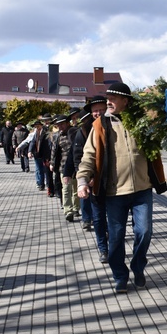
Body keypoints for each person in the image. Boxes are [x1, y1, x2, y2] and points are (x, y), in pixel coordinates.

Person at [76, 83, 167, 293]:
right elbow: (89, 155)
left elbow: (157, 140)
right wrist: (82, 181)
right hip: (114, 193)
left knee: (144, 232)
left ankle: (138, 267)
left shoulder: (142, 123)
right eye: (108, 97)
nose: (108, 101)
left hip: (142, 190)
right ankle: (120, 275)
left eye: (114, 98)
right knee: (116, 237)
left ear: (126, 101)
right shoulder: (100, 125)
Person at [65, 96, 109, 262]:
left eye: (101, 109)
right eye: (95, 110)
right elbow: (78, 157)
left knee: (112, 218)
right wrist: (84, 179)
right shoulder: (84, 131)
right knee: (98, 218)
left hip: (113, 182)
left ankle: (110, 239)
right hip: (93, 182)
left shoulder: (115, 125)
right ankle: (103, 249)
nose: (98, 113)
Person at [49, 110, 79, 216]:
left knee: (75, 189)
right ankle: (68, 210)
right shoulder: (58, 136)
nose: (60, 126)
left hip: (75, 166)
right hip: (63, 166)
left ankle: (76, 208)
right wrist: (52, 163)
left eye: (62, 124)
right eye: (58, 125)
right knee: (66, 189)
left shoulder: (75, 132)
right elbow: (54, 151)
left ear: (67, 123)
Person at [27, 120, 52, 193]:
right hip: (37, 154)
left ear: (41, 126)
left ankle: (48, 185)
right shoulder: (35, 133)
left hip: (44, 155)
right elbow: (32, 142)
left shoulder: (46, 132)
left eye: (38, 126)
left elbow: (49, 144)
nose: (37, 127)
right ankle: (41, 184)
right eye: (35, 126)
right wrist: (30, 151)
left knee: (46, 170)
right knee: (39, 169)